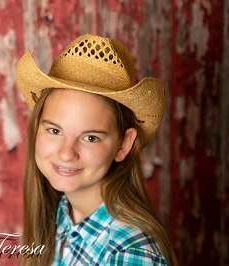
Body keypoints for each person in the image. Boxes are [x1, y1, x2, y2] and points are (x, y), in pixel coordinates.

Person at [15, 34, 177, 266]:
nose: (66, 153)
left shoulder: (128, 253)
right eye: (54, 131)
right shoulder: (63, 214)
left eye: (90, 137)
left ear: (123, 145)